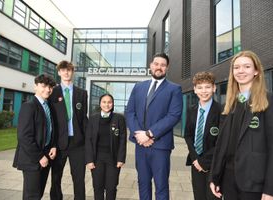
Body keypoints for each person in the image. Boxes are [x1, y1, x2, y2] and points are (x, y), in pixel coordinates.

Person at [209, 50, 273, 200]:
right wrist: (215, 176)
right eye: (236, 67)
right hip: (229, 181)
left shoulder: (270, 101)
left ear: (256, 71)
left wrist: (272, 190)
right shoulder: (229, 105)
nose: (241, 71)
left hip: (255, 183)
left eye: (246, 66)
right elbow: (221, 145)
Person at [125, 53, 183, 200]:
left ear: (167, 68)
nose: (159, 67)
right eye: (156, 64)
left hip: (161, 146)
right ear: (151, 65)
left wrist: (149, 134)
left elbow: (173, 115)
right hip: (140, 145)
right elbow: (130, 112)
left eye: (163, 65)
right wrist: (139, 135)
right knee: (143, 183)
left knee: (161, 185)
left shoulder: (174, 89)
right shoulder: (138, 87)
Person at [13, 74, 56, 200]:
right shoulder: (29, 106)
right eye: (43, 86)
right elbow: (24, 136)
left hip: (45, 155)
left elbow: (49, 130)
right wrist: (40, 156)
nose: (47, 89)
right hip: (32, 158)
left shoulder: (48, 106)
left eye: (50, 87)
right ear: (35, 86)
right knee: (32, 196)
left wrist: (53, 145)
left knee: (38, 194)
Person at [49, 60, 88, 200]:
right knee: (55, 178)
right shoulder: (53, 92)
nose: (66, 73)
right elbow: (51, 120)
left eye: (69, 70)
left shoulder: (82, 93)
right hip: (59, 144)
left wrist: (87, 142)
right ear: (59, 72)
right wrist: (52, 143)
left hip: (78, 144)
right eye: (63, 70)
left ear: (72, 72)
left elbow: (83, 118)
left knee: (79, 179)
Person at [184, 72, 221, 200]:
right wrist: (195, 159)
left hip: (214, 164)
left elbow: (222, 142)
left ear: (214, 88)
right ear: (194, 90)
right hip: (196, 163)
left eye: (207, 87)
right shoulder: (191, 110)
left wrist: (203, 162)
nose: (203, 91)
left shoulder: (222, 111)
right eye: (200, 87)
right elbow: (188, 135)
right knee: (198, 196)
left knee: (212, 197)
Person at [85, 94, 127, 200]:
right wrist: (89, 160)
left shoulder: (119, 119)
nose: (107, 104)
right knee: (98, 187)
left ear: (112, 104)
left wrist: (121, 159)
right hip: (97, 158)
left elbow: (122, 140)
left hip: (113, 158)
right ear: (100, 103)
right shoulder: (93, 119)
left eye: (109, 102)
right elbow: (88, 140)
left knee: (111, 187)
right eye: (104, 102)